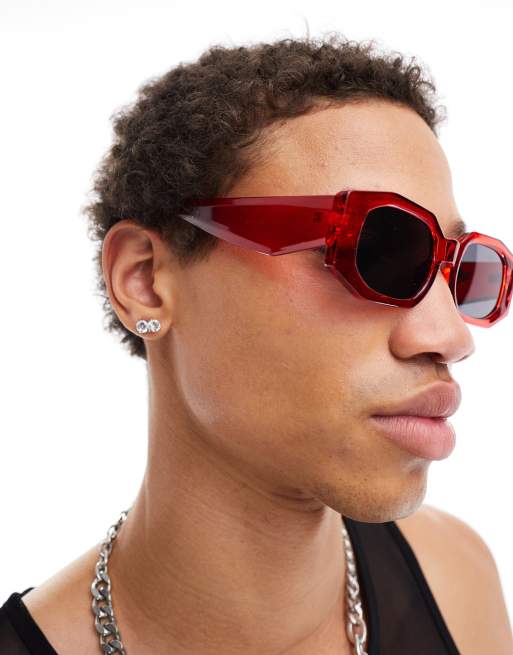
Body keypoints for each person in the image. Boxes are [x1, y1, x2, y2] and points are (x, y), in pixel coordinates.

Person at [1, 33, 512, 655]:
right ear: (145, 281)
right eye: (376, 250)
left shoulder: (457, 578)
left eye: (462, 272)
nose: (451, 337)